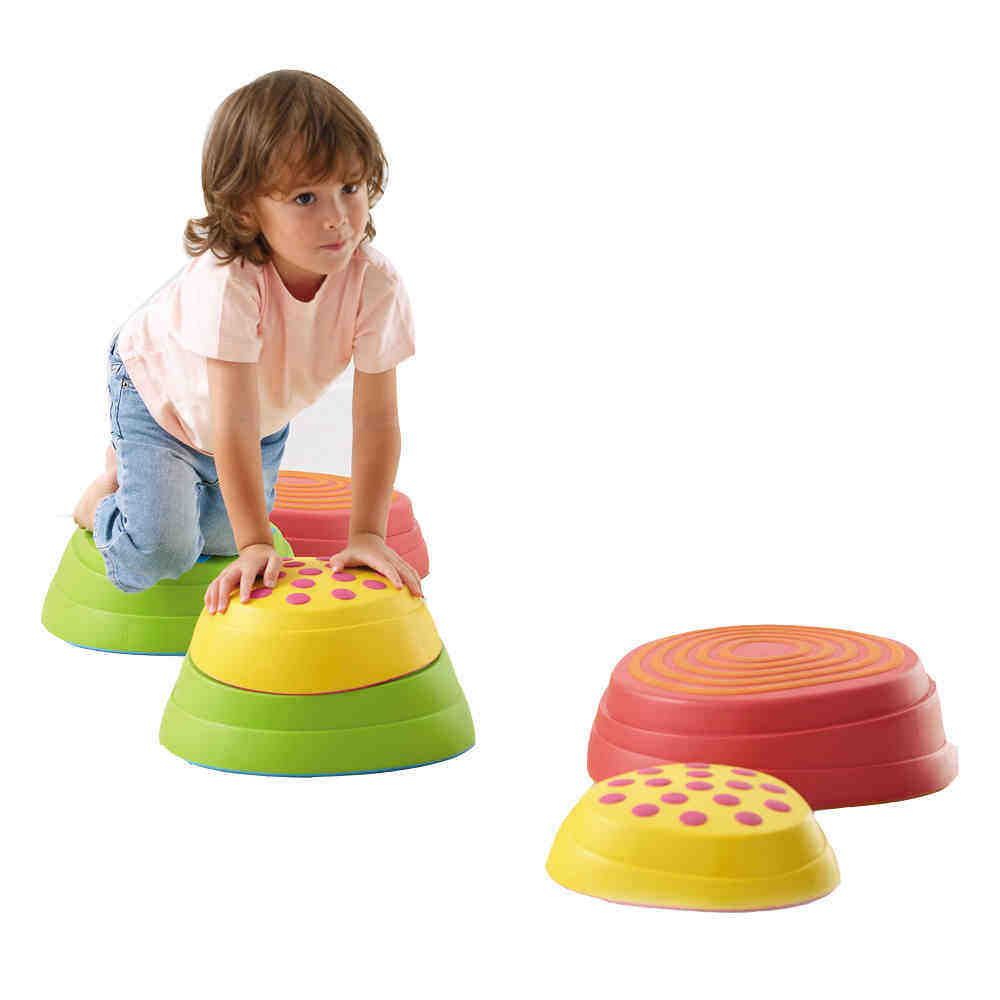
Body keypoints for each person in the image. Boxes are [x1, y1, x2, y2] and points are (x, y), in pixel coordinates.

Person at [73, 69, 423, 614]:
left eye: (350, 189)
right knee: (162, 552)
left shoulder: (375, 285)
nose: (337, 218)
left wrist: (367, 535)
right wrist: (256, 542)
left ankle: (164, 491)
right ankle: (102, 498)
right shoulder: (230, 283)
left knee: (217, 543)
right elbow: (229, 422)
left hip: (253, 422)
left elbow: (377, 420)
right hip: (161, 399)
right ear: (244, 209)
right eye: (305, 198)